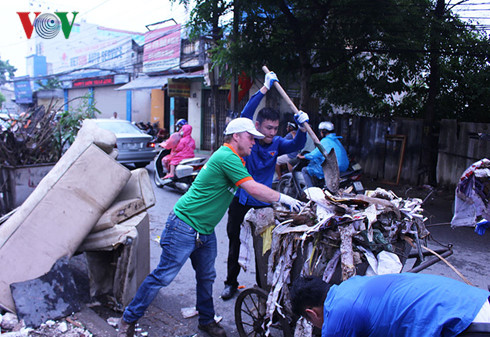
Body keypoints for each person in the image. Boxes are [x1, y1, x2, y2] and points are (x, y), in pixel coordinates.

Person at [118, 117, 304, 337]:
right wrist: (284, 198)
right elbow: (252, 188)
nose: (254, 142)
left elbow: (284, 151)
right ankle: (128, 319)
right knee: (163, 276)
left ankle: (206, 321)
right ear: (236, 136)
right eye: (250, 137)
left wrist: (301, 129)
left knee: (206, 277)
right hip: (184, 226)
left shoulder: (237, 158)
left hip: (204, 231)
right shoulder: (227, 156)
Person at [221, 72, 308, 300]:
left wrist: (302, 128)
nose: (271, 133)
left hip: (263, 206)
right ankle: (231, 282)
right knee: (235, 243)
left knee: (264, 248)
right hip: (241, 201)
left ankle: (262, 287)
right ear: (257, 126)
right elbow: (246, 113)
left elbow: (296, 145)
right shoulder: (248, 140)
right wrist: (263, 90)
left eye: (275, 128)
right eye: (268, 128)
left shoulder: (277, 143)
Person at [290, 274, 490, 337]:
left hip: (465, 324)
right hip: (476, 301)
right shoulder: (352, 285)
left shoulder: (337, 316)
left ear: (312, 313)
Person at [300, 121, 349, 188]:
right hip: (343, 168)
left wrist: (303, 156)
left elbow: (313, 155)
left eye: (320, 131)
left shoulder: (325, 141)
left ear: (323, 132)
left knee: (305, 170)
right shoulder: (336, 140)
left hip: (332, 168)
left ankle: (310, 191)